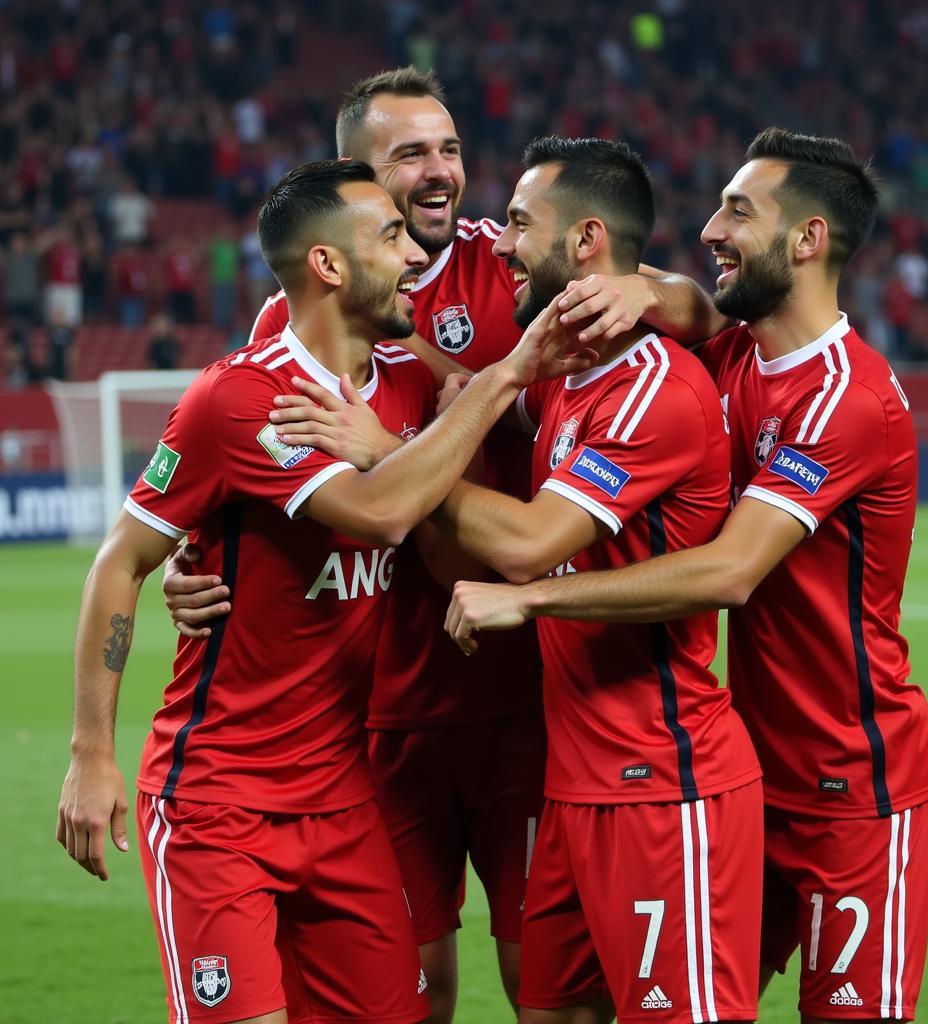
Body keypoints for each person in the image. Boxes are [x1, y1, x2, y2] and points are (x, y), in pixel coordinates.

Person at [163, 65, 715, 1022]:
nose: (439, 171)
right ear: (352, 175)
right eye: (409, 153)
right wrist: (195, 557)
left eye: (450, 148)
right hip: (379, 716)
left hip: (525, 699)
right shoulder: (303, 315)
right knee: (411, 994)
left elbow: (702, 312)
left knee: (542, 983)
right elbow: (239, 461)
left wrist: (648, 291)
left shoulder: (507, 267)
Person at [56, 158, 591, 1024]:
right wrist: (90, 754)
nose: (415, 256)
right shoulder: (245, 397)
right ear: (329, 267)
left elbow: (443, 562)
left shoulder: (416, 388)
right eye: (388, 238)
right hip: (218, 801)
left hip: (344, 798)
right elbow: (121, 560)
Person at [446, 128, 928, 1024]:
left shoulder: (847, 398)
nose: (710, 229)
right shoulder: (733, 356)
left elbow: (728, 571)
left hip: (853, 784)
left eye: (737, 211)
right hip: (746, 763)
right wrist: (645, 288)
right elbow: (687, 306)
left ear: (808, 241)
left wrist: (531, 596)